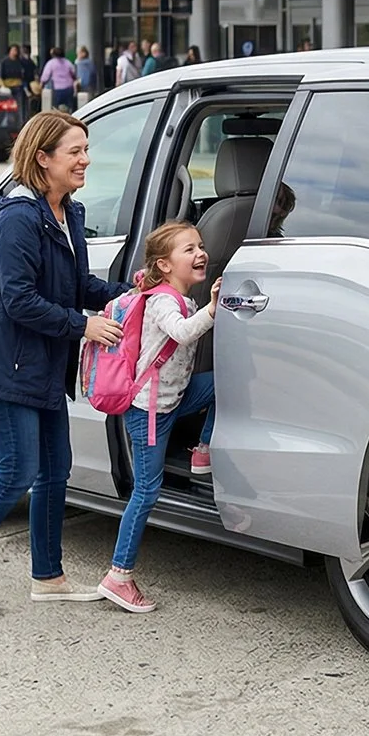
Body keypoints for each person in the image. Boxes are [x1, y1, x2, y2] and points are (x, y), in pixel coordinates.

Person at [0, 111, 129, 617]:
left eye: (86, 150)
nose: (86, 160)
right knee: (16, 473)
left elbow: (77, 286)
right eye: (75, 152)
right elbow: (17, 299)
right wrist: (82, 326)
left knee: (55, 470)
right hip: (7, 365)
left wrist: (132, 295)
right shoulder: (19, 216)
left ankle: (48, 576)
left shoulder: (69, 212)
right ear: (43, 158)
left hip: (41, 366)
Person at [99, 221, 222, 613]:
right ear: (165, 266)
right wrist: (213, 310)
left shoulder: (181, 298)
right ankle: (118, 576)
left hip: (174, 399)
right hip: (148, 411)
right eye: (188, 249)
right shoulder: (163, 301)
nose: (200, 253)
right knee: (146, 491)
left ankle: (202, 449)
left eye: (200, 246)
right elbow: (183, 333)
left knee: (225, 383)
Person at [40, 46, 78, 112]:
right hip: (69, 88)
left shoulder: (51, 63)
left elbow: (45, 76)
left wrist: (42, 84)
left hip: (57, 89)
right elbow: (73, 73)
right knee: (70, 107)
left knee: (56, 108)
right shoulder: (68, 62)